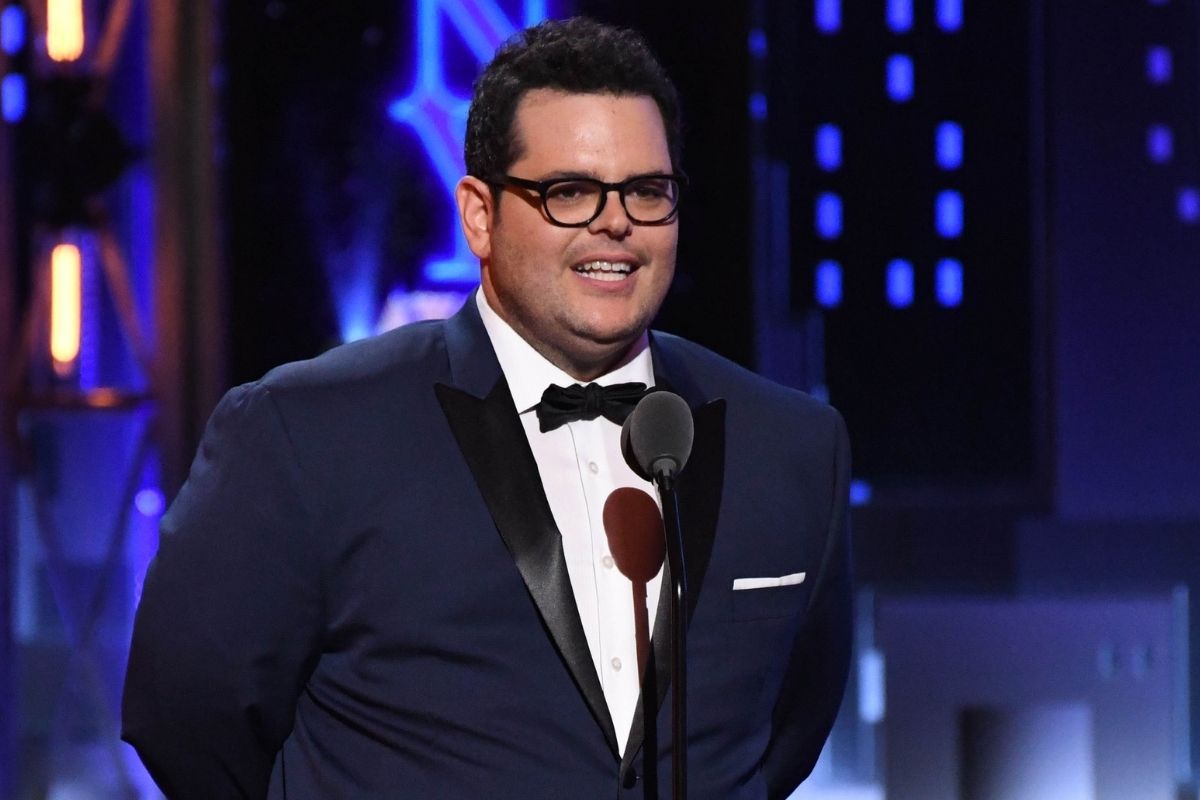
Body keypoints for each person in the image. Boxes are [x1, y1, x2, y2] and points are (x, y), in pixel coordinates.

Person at [122, 16, 851, 800]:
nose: (617, 222)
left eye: (647, 191)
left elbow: (786, 733)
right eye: (569, 191)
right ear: (479, 214)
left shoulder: (792, 447)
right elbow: (185, 723)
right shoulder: (304, 433)